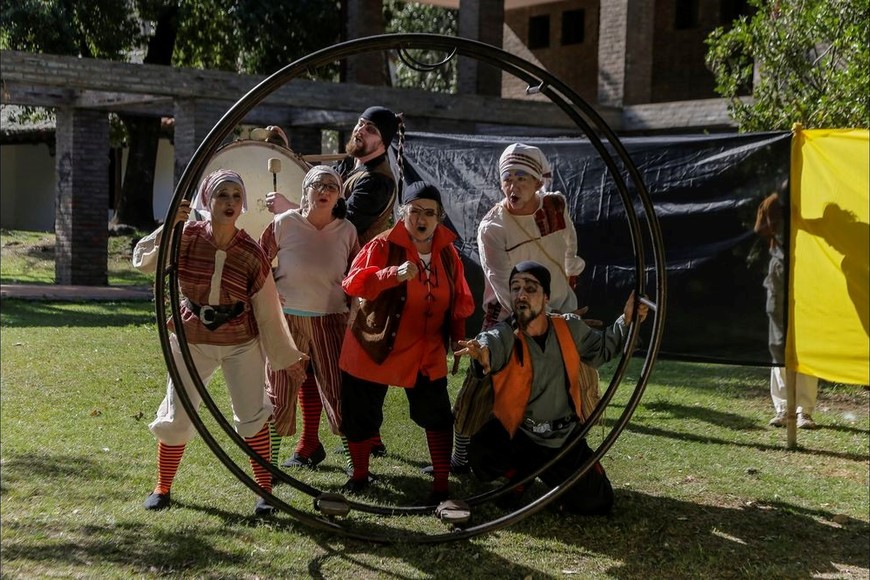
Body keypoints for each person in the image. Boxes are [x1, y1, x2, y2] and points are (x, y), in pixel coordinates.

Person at [133, 169, 306, 516]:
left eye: (235, 196)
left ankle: (264, 492)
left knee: (252, 416)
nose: (229, 202)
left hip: (240, 342)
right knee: (177, 414)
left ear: (242, 205)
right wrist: (169, 226)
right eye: (221, 195)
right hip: (191, 338)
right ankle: (162, 487)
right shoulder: (186, 235)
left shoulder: (250, 251)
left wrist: (286, 357)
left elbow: (268, 310)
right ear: (207, 201)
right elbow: (143, 261)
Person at [455, 261, 648, 515]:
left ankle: (527, 477)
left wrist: (628, 319)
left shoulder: (569, 327)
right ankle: (521, 474)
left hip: (563, 438)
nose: (521, 294)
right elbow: (489, 346)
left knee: (598, 502)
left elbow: (602, 350)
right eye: (515, 288)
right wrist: (482, 357)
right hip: (519, 434)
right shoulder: (503, 334)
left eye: (530, 288)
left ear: (546, 297)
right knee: (482, 455)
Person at [444, 143, 590, 474]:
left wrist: (570, 278)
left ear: (539, 182)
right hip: (511, 314)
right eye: (507, 178)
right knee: (480, 386)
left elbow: (570, 246)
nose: (513, 185)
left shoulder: (555, 206)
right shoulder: (492, 227)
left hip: (559, 310)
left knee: (561, 386)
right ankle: (460, 457)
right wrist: (535, 323)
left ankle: (557, 455)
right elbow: (500, 281)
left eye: (522, 177)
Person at [265, 107, 402, 457]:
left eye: (370, 129)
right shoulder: (349, 166)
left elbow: (339, 219)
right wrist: (287, 151)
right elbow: (318, 184)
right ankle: (309, 443)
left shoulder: (379, 180)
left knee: (348, 379)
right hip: (308, 300)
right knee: (304, 373)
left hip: (357, 294)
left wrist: (288, 206)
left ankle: (365, 441)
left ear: (382, 141)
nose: (360, 131)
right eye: (359, 123)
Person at [338, 181, 475, 504]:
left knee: (437, 414)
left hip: (424, 348)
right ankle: (359, 477)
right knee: (360, 414)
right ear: (404, 214)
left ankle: (441, 484)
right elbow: (353, 284)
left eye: (430, 212)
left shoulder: (447, 252)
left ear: (439, 217)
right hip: (374, 344)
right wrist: (392, 275)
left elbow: (459, 298)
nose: (422, 218)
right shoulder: (382, 245)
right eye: (415, 211)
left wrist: (457, 338)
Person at [259, 166, 360, 468]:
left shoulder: (347, 231)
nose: (325, 190)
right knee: (279, 389)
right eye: (318, 184)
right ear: (305, 192)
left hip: (331, 320)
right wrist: (269, 292)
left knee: (339, 390)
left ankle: (357, 470)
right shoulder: (283, 223)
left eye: (332, 186)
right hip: (287, 322)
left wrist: (355, 313)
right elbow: (259, 264)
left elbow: (357, 276)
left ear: (339, 196)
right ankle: (270, 467)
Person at [755, 191, 819, 429]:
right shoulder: (774, 202)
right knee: (778, 344)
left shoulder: (814, 201)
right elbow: (761, 228)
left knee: (806, 344)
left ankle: (804, 411)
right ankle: (783, 408)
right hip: (780, 274)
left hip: (808, 275)